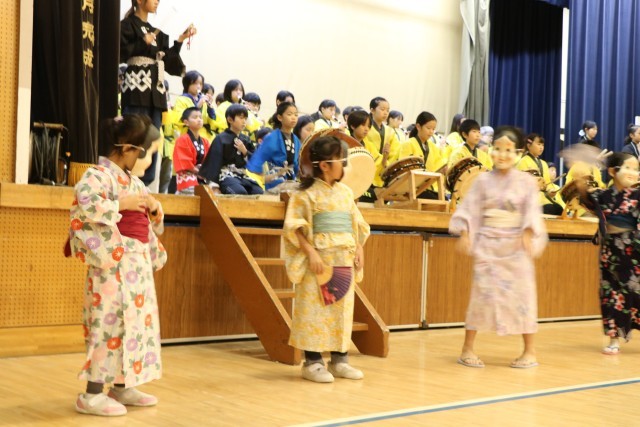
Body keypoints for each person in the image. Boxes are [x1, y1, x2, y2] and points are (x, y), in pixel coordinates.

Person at [69, 114, 168, 416]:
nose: (149, 163)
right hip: (111, 265)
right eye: (147, 155)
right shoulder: (97, 176)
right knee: (107, 324)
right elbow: (85, 205)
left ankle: (123, 385)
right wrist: (120, 205)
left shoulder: (135, 183)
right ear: (127, 149)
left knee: (136, 324)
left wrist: (155, 210)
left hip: (136, 265)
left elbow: (148, 224)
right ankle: (92, 394)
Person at [450, 126, 547, 369]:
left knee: (524, 296)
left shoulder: (526, 182)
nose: (502, 155)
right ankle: (467, 349)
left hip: (516, 246)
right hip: (488, 245)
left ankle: (529, 351)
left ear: (518, 153)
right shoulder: (482, 181)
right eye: (498, 149)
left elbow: (532, 212)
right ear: (491, 150)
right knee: (480, 296)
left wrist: (528, 233)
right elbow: (469, 209)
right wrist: (465, 233)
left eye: (508, 150)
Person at [283, 133, 370, 383]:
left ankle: (340, 360)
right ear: (324, 165)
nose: (345, 166)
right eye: (341, 161)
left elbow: (356, 224)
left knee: (341, 310)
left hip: (344, 257)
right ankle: (312, 362)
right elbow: (294, 227)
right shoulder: (304, 194)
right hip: (319, 260)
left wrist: (359, 248)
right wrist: (310, 252)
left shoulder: (345, 193)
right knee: (315, 311)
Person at [120, 0, 195, 191]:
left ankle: (144, 185)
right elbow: (119, 52)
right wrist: (141, 43)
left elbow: (168, 62)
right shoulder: (127, 26)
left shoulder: (158, 33)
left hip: (156, 92)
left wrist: (180, 40)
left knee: (153, 139)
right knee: (135, 135)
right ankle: (127, 181)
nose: (157, 2)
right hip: (136, 90)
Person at [579, 152, 640, 355]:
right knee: (611, 295)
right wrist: (588, 167)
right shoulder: (602, 195)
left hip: (634, 251)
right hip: (609, 252)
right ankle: (614, 339)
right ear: (613, 171)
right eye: (628, 167)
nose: (633, 173)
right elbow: (582, 195)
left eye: (636, 169)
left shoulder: (638, 195)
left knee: (635, 294)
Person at [199, 104, 263, 195]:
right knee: (239, 192)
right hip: (225, 175)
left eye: (245, 118)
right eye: (241, 118)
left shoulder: (246, 139)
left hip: (242, 175)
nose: (244, 121)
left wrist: (245, 151)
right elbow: (214, 163)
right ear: (230, 120)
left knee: (259, 192)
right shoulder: (221, 138)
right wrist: (214, 186)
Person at [247, 102, 300, 191]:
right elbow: (258, 159)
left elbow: (296, 165)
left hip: (290, 179)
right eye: (289, 114)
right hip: (274, 180)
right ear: (280, 117)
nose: (293, 117)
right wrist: (263, 177)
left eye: (296, 115)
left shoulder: (296, 140)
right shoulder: (272, 138)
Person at [398, 111, 446, 198]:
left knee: (444, 199)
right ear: (418, 127)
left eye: (433, 129)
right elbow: (404, 169)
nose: (431, 132)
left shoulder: (433, 147)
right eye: (428, 128)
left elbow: (438, 166)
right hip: (411, 188)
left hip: (428, 187)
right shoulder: (408, 144)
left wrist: (443, 170)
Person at [516, 133, 564, 215]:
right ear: (529, 145)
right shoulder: (523, 162)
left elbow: (548, 184)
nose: (541, 147)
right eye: (538, 144)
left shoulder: (544, 164)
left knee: (559, 209)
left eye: (542, 145)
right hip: (531, 201)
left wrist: (550, 191)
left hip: (543, 199)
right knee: (554, 209)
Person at [362, 97, 400, 188]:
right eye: (382, 109)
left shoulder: (390, 131)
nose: (385, 113)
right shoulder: (365, 129)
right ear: (372, 110)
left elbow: (395, 152)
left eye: (387, 110)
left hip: (384, 172)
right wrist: (382, 160)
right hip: (367, 168)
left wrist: (387, 165)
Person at [172, 107, 211, 195]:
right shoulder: (182, 140)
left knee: (214, 191)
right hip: (187, 176)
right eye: (195, 117)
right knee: (198, 193)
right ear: (186, 122)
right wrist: (198, 171)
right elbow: (184, 163)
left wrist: (204, 172)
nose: (199, 120)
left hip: (202, 176)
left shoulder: (205, 141)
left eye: (200, 117)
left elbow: (209, 160)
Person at [172, 70, 217, 141]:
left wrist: (210, 108)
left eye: (201, 84)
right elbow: (180, 120)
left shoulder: (203, 100)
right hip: (189, 136)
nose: (199, 86)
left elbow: (212, 123)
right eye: (195, 83)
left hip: (204, 136)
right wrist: (198, 106)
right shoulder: (181, 99)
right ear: (187, 84)